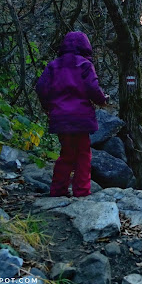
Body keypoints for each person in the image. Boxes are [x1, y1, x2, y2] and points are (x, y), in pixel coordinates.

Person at [35, 31, 107, 197]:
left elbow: (41, 88)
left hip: (60, 117)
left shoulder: (53, 65)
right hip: (81, 118)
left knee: (66, 154)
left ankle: (58, 190)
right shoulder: (84, 65)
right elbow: (92, 88)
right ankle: (81, 191)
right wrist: (102, 100)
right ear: (85, 46)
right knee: (83, 154)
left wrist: (47, 106)